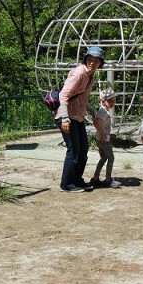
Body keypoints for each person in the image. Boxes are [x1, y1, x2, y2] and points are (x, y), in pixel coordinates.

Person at [55, 46, 102, 193]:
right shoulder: (79, 73)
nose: (92, 63)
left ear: (100, 63)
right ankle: (66, 184)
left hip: (78, 116)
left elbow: (81, 99)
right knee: (73, 150)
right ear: (85, 59)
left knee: (83, 150)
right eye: (90, 59)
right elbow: (63, 95)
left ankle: (76, 180)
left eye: (96, 60)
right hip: (66, 116)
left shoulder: (91, 76)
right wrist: (65, 119)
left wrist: (91, 111)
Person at [89, 88, 121, 188]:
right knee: (111, 158)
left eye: (114, 101)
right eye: (110, 101)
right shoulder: (103, 111)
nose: (112, 103)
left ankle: (95, 178)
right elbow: (96, 123)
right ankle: (108, 180)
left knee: (103, 158)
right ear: (103, 100)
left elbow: (96, 120)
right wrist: (102, 134)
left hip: (101, 139)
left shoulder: (104, 111)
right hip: (103, 140)